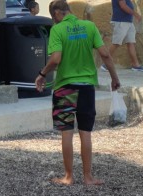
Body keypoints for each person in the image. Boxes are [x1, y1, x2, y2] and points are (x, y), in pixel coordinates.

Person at [35, 0, 120, 185]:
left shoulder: (57, 30)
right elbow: (105, 54)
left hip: (65, 87)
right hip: (87, 87)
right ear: (69, 10)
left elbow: (56, 58)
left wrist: (42, 74)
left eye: (53, 18)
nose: (54, 21)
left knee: (67, 132)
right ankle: (88, 177)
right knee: (85, 132)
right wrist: (114, 78)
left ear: (57, 13)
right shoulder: (89, 26)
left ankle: (68, 177)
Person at [101, 0, 143, 72]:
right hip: (120, 22)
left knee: (131, 42)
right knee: (116, 43)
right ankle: (106, 64)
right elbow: (123, 6)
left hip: (128, 22)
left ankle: (136, 65)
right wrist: (135, 14)